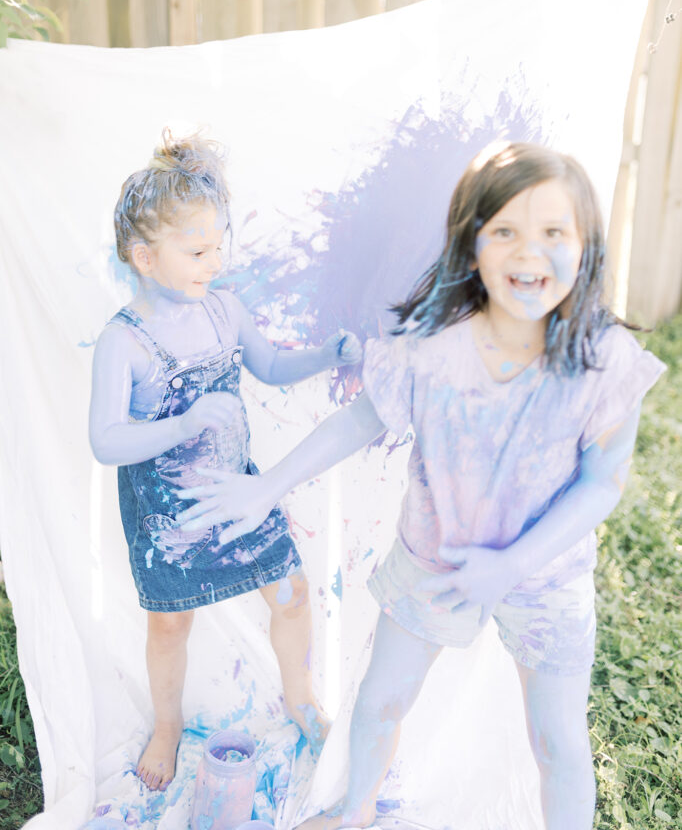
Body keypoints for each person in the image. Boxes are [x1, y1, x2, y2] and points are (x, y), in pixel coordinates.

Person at [176, 142, 666, 830]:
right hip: (432, 559)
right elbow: (359, 422)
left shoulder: (604, 362)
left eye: (554, 232)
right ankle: (356, 809)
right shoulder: (434, 349)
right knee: (379, 702)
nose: (531, 252)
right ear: (472, 249)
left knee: (558, 742)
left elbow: (600, 486)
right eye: (506, 232)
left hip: (545, 577)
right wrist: (268, 487)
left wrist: (513, 566)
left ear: (586, 246)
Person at [88, 128, 361, 793]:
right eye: (198, 250)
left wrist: (325, 354)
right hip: (167, 511)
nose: (214, 261)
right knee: (170, 624)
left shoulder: (224, 310)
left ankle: (300, 698)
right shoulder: (124, 342)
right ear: (144, 256)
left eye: (219, 245)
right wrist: (180, 421)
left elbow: (268, 368)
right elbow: (105, 441)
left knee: (292, 593)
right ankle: (168, 723)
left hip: (237, 491)